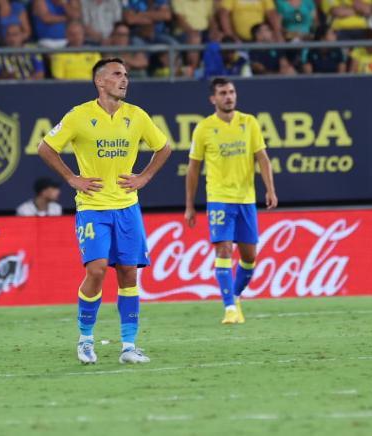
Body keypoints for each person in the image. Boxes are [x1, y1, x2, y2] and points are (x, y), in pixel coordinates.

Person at [36, 58, 171, 364]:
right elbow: (45, 147)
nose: (125, 80)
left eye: (126, 75)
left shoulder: (136, 116)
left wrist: (144, 177)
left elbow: (163, 148)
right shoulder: (79, 115)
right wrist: (72, 178)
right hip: (93, 207)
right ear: (100, 82)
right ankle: (85, 339)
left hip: (127, 207)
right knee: (96, 270)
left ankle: (128, 346)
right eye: (117, 74)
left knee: (127, 273)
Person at [184, 77, 277, 324]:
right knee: (224, 250)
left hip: (246, 199)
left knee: (249, 258)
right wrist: (190, 205)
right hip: (219, 199)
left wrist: (270, 189)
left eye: (232, 92)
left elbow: (263, 159)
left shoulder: (249, 123)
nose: (229, 96)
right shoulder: (203, 128)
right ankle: (229, 309)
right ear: (213, 99)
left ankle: (235, 296)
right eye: (223, 93)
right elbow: (193, 169)